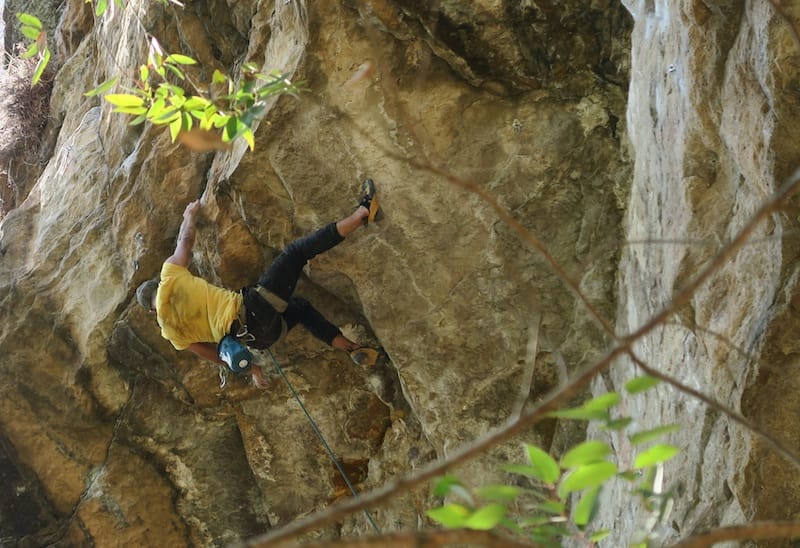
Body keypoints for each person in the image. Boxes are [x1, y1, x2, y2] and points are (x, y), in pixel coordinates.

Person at [136, 180, 381, 387]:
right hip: (253, 309)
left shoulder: (171, 334)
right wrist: (189, 214)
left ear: (150, 310)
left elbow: (215, 354)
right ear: (156, 284)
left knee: (302, 310)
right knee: (296, 253)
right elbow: (185, 241)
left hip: (259, 339)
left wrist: (252, 369)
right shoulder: (169, 277)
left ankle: (351, 348)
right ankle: (362, 214)